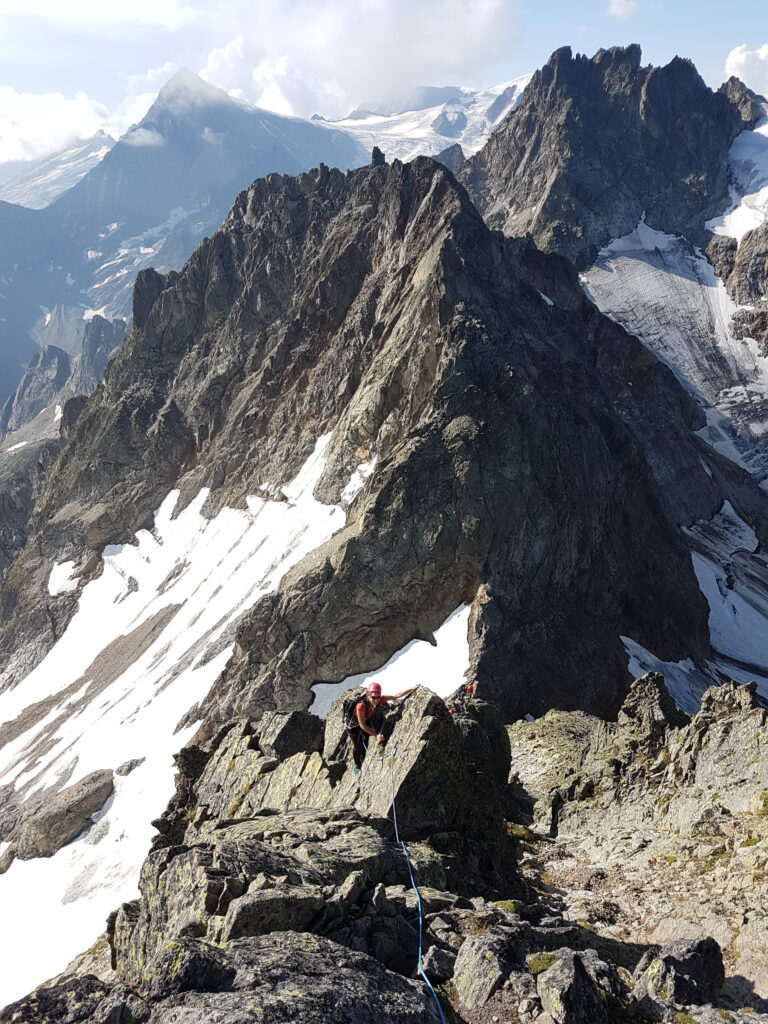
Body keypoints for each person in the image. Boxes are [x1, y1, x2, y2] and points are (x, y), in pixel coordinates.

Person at [346, 680, 419, 773]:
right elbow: (362, 725)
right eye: (373, 697)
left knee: (368, 736)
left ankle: (365, 754)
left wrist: (411, 688)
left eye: (378, 697)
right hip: (353, 726)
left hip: (366, 718)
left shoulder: (378, 699)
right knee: (358, 745)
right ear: (368, 694)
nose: (376, 700)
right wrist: (376, 735)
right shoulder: (361, 706)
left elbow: (395, 696)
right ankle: (357, 764)